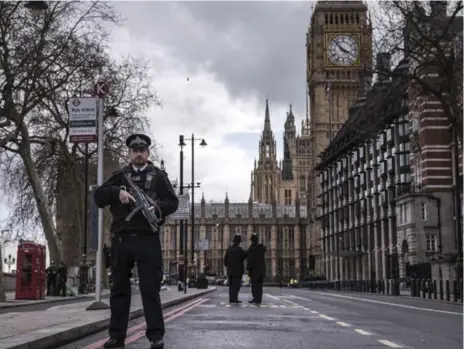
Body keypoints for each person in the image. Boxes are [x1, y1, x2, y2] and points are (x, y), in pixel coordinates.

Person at [94, 133, 179, 349]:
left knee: (150, 289)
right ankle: (116, 336)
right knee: (119, 289)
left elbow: (173, 202)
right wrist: (117, 194)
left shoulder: (158, 176)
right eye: (135, 150)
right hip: (122, 238)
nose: (139, 154)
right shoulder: (120, 176)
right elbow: (98, 196)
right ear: (130, 153)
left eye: (142, 150)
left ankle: (156, 336)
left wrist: (156, 207)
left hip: (148, 238)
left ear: (148, 153)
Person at [224, 234, 246, 304]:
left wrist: (228, 266)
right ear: (239, 242)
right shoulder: (240, 249)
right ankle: (235, 298)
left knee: (231, 285)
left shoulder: (229, 249)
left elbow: (225, 260)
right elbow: (244, 257)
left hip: (230, 271)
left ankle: (231, 298)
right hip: (238, 271)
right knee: (236, 286)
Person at [247, 233, 266, 304]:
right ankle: (259, 299)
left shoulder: (252, 248)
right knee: (260, 286)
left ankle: (255, 298)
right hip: (261, 270)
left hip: (254, 270)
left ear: (252, 240)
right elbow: (264, 248)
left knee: (255, 285)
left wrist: (249, 269)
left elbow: (250, 260)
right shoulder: (261, 248)